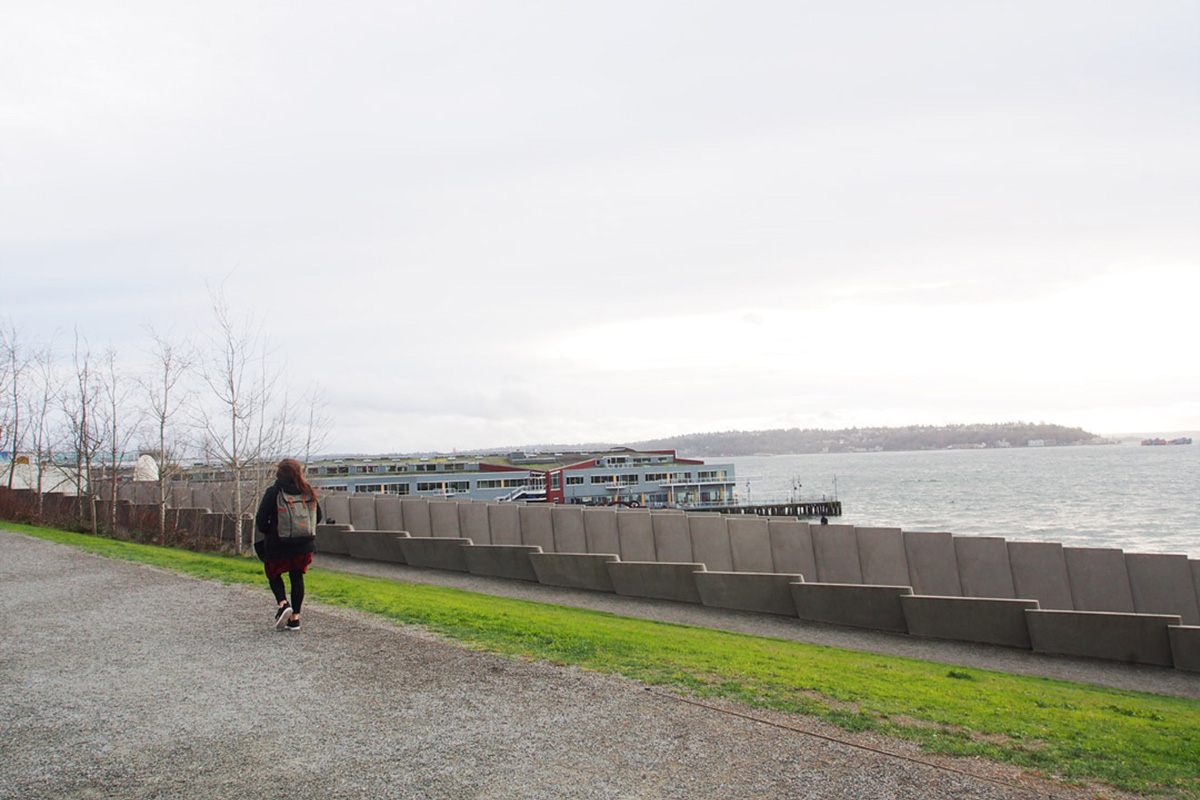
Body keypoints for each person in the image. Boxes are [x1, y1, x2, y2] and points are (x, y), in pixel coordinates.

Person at [255, 458, 322, 631]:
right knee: (297, 576)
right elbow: (318, 516)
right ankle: (295, 619)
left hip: (279, 543)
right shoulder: (307, 491)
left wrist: (270, 531)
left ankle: (283, 603)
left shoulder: (274, 491)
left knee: (273, 572)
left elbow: (261, 520)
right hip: (304, 545)